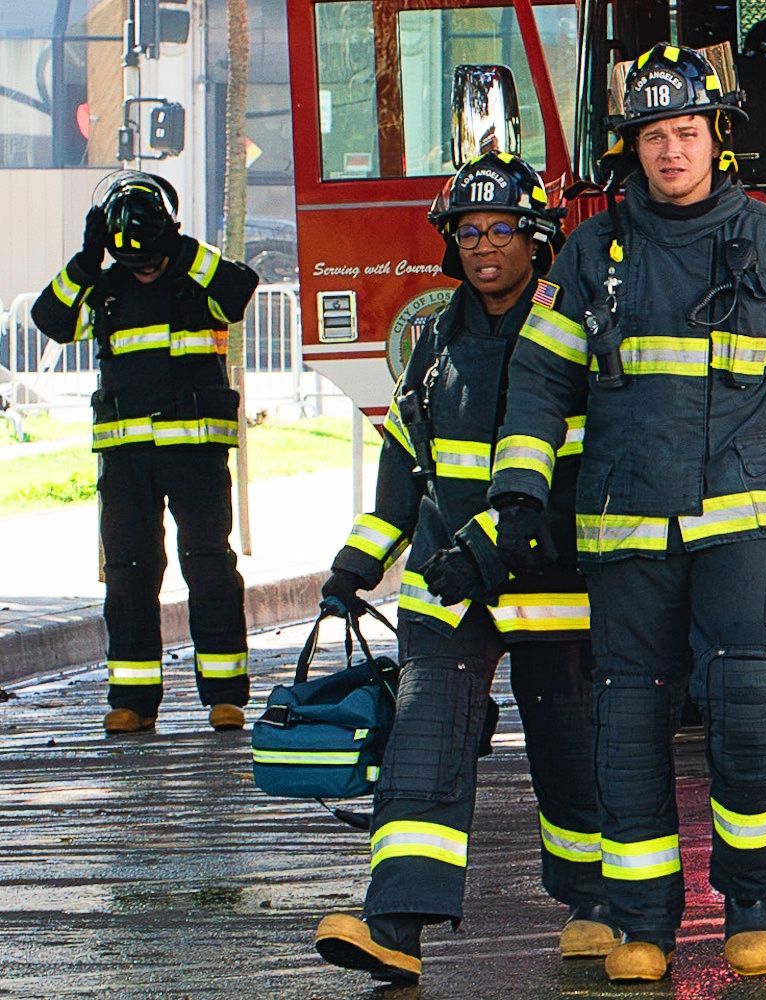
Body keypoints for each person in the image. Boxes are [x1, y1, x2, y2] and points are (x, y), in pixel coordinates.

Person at [487, 44, 766, 983]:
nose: (671, 151)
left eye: (686, 133)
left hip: (739, 522)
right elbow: (539, 379)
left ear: (717, 140)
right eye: (655, 135)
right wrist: (520, 491)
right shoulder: (590, 253)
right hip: (625, 527)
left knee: (748, 708)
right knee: (627, 722)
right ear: (635, 149)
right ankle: (644, 924)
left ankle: (751, 902)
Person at [309, 153, 609, 984]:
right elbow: (409, 464)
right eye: (469, 231)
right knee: (424, 744)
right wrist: (355, 565)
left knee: (569, 752)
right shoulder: (436, 336)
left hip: (552, 586)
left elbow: (589, 472)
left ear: (536, 239)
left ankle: (595, 904)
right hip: (446, 588)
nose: (484, 247)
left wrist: (493, 547)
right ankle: (395, 927)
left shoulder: (571, 334)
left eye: (501, 230)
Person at [31, 172, 258, 736]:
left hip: (197, 456)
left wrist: (179, 248)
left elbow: (238, 290)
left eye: (155, 254)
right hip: (127, 459)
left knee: (208, 569)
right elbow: (49, 320)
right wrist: (85, 263)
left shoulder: (196, 277)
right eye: (133, 258)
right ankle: (133, 700)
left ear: (171, 236)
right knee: (129, 575)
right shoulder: (104, 289)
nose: (146, 267)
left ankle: (225, 695)